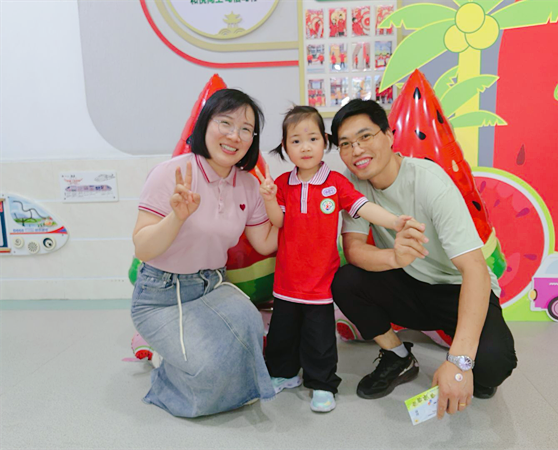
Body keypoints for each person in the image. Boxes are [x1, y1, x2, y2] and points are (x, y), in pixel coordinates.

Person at [329, 99, 518, 419]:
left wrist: (459, 362)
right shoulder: (354, 183)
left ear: (389, 135)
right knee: (346, 281)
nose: (356, 149)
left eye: (365, 136)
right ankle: (398, 357)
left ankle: (463, 348)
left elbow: (474, 269)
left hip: (458, 289)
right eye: (345, 144)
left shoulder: (429, 181)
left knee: (493, 367)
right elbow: (354, 249)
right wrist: (394, 256)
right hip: (409, 284)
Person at [131, 89, 278, 418]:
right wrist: (176, 217)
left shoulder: (249, 185)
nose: (234, 135)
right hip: (161, 295)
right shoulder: (171, 173)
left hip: (212, 286)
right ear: (205, 124)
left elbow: (265, 243)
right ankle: (165, 365)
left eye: (245, 129)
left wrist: (303, 215)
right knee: (209, 372)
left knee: (251, 328)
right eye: (225, 123)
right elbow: (142, 247)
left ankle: (191, 361)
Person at [256, 105, 411, 413]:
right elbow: (279, 221)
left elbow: (363, 207)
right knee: (282, 334)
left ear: (325, 142)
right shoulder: (284, 183)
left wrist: (395, 222)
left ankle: (323, 384)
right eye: (296, 141)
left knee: (320, 339)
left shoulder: (336, 183)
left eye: (312, 139)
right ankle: (284, 374)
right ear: (285, 147)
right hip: (286, 282)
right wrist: (269, 198)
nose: (305, 147)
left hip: (320, 283)